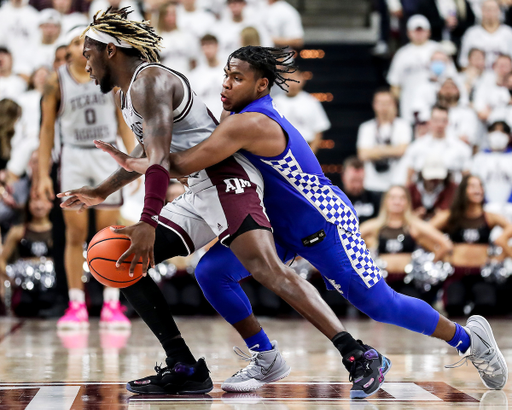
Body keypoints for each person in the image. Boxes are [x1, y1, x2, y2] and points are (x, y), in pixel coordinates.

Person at [93, 38, 508, 396]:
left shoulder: (252, 122)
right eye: (224, 74)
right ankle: (265, 357)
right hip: (280, 228)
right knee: (211, 273)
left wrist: (139, 162)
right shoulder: (233, 118)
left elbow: (182, 163)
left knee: (379, 305)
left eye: (237, 78)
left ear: (260, 84)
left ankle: (468, 340)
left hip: (322, 223)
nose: (225, 84)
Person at [62, 9, 387, 399]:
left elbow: (160, 158)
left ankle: (357, 353)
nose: (85, 62)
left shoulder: (149, 81)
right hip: (198, 188)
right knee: (118, 258)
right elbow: (151, 149)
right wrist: (102, 190)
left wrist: (148, 219)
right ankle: (183, 365)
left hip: (227, 179)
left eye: (88, 52)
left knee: (266, 270)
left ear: (111, 51)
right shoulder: (131, 88)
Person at [36, 27, 135, 330]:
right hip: (74, 156)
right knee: (74, 234)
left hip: (106, 154)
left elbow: (123, 122)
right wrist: (42, 173)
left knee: (111, 233)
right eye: (76, 41)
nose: (82, 45)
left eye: (86, 40)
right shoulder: (57, 81)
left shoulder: (110, 77)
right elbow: (47, 131)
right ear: (67, 48)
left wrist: (135, 163)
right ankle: (76, 302)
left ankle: (112, 303)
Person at [430, 175, 512, 314]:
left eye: (480, 186)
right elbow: (423, 230)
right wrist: (441, 248)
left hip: (481, 274)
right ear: (463, 190)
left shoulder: (489, 216)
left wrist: (502, 247)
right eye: (472, 186)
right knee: (454, 307)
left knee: (486, 306)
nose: (477, 190)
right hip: (456, 274)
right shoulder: (451, 216)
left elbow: (508, 229)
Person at [360, 185, 452, 292]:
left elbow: (446, 245)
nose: (397, 202)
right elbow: (348, 242)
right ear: (385, 201)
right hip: (381, 284)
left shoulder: (414, 226)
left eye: (402, 198)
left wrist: (428, 264)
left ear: (407, 202)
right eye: (393, 198)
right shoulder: (374, 227)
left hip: (409, 284)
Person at [387, 14, 439, 124]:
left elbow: (449, 76)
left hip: (435, 107)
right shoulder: (402, 54)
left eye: (422, 30)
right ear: (409, 33)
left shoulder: (438, 50)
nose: (419, 34)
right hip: (408, 107)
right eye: (416, 30)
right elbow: (394, 84)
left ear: (428, 32)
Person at [356, 88, 411, 192]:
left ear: (394, 105)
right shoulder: (366, 127)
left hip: (397, 184)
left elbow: (402, 150)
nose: (384, 107)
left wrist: (375, 150)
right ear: (374, 105)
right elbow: (363, 155)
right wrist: (392, 150)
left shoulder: (403, 125)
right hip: (372, 185)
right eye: (380, 103)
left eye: (387, 103)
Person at [402, 105, 472, 184]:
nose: (440, 124)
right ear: (429, 122)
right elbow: (409, 177)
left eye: (443, 120)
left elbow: (467, 178)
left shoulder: (461, 148)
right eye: (436, 120)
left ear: (449, 122)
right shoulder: (416, 147)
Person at [273, 69, 331, 155]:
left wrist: (311, 154)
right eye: (288, 78)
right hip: (280, 149)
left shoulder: (311, 102)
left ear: (301, 79)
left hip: (305, 147)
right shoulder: (274, 102)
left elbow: (318, 131)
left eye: (294, 78)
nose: (291, 82)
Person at [471, 121, 512, 217]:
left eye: (502, 132)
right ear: (488, 134)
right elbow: (475, 182)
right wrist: (484, 201)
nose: (498, 135)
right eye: (494, 131)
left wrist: (509, 203)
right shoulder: (479, 158)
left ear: (509, 136)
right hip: (484, 206)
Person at [459, 0, 512, 69]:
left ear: (499, 11)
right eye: (487, 9)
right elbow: (463, 63)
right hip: (478, 77)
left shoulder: (508, 33)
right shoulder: (471, 33)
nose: (490, 13)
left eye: (493, 9)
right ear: (481, 11)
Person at [409, 156, 458, 221]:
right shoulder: (411, 190)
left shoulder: (451, 188)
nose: (434, 180)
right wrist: (416, 214)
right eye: (431, 178)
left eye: (437, 177)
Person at [156, 2, 199, 75]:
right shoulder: (155, 37)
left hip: (185, 75)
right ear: (162, 17)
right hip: (164, 77)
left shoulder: (186, 35)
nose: (171, 18)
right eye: (167, 15)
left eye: (173, 14)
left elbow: (193, 60)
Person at [188, 34, 225, 120]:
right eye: (204, 46)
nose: (207, 49)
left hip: (226, 120)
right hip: (205, 121)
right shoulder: (194, 75)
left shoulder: (229, 71)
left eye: (210, 45)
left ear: (217, 46)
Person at [340, 157, 381, 224]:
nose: (356, 185)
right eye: (353, 181)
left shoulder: (374, 199)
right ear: (343, 177)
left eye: (360, 181)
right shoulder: (334, 198)